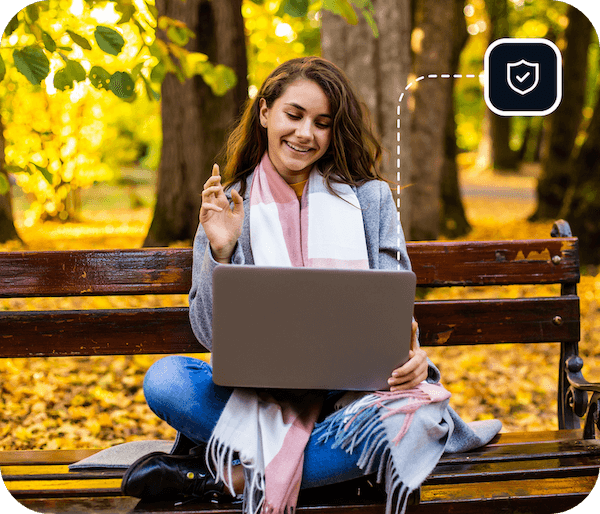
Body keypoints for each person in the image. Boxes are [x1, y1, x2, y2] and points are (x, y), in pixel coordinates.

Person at [121, 57, 500, 514]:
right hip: (260, 396)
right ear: (265, 113)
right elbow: (208, 334)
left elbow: (393, 310)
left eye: (322, 124)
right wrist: (222, 252)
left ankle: (225, 479)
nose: (306, 134)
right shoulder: (229, 203)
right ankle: (328, 463)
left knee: (419, 417)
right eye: (294, 115)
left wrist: (413, 358)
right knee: (166, 381)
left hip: (354, 399)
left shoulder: (369, 198)